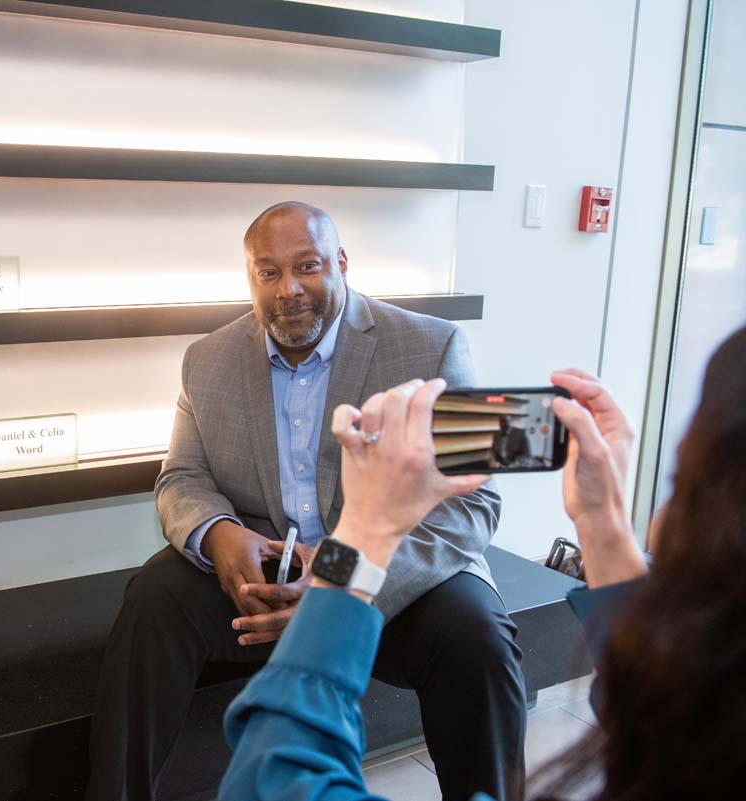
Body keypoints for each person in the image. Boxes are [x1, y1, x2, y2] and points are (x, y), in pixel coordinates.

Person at [86, 202, 526, 801]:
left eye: (308, 266)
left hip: (389, 574)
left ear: (342, 263)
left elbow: (474, 506)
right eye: (268, 273)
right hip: (265, 575)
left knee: (479, 635)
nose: (288, 289)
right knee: (153, 600)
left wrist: (345, 579)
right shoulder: (206, 360)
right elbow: (181, 477)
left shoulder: (436, 346)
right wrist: (219, 534)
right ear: (249, 279)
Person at [219, 326, 746, 800]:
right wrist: (602, 522)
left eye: (678, 487)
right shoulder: (703, 748)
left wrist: (363, 531)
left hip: (400, 580)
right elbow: (669, 718)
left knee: (478, 632)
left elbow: (271, 773)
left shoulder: (431, 339)